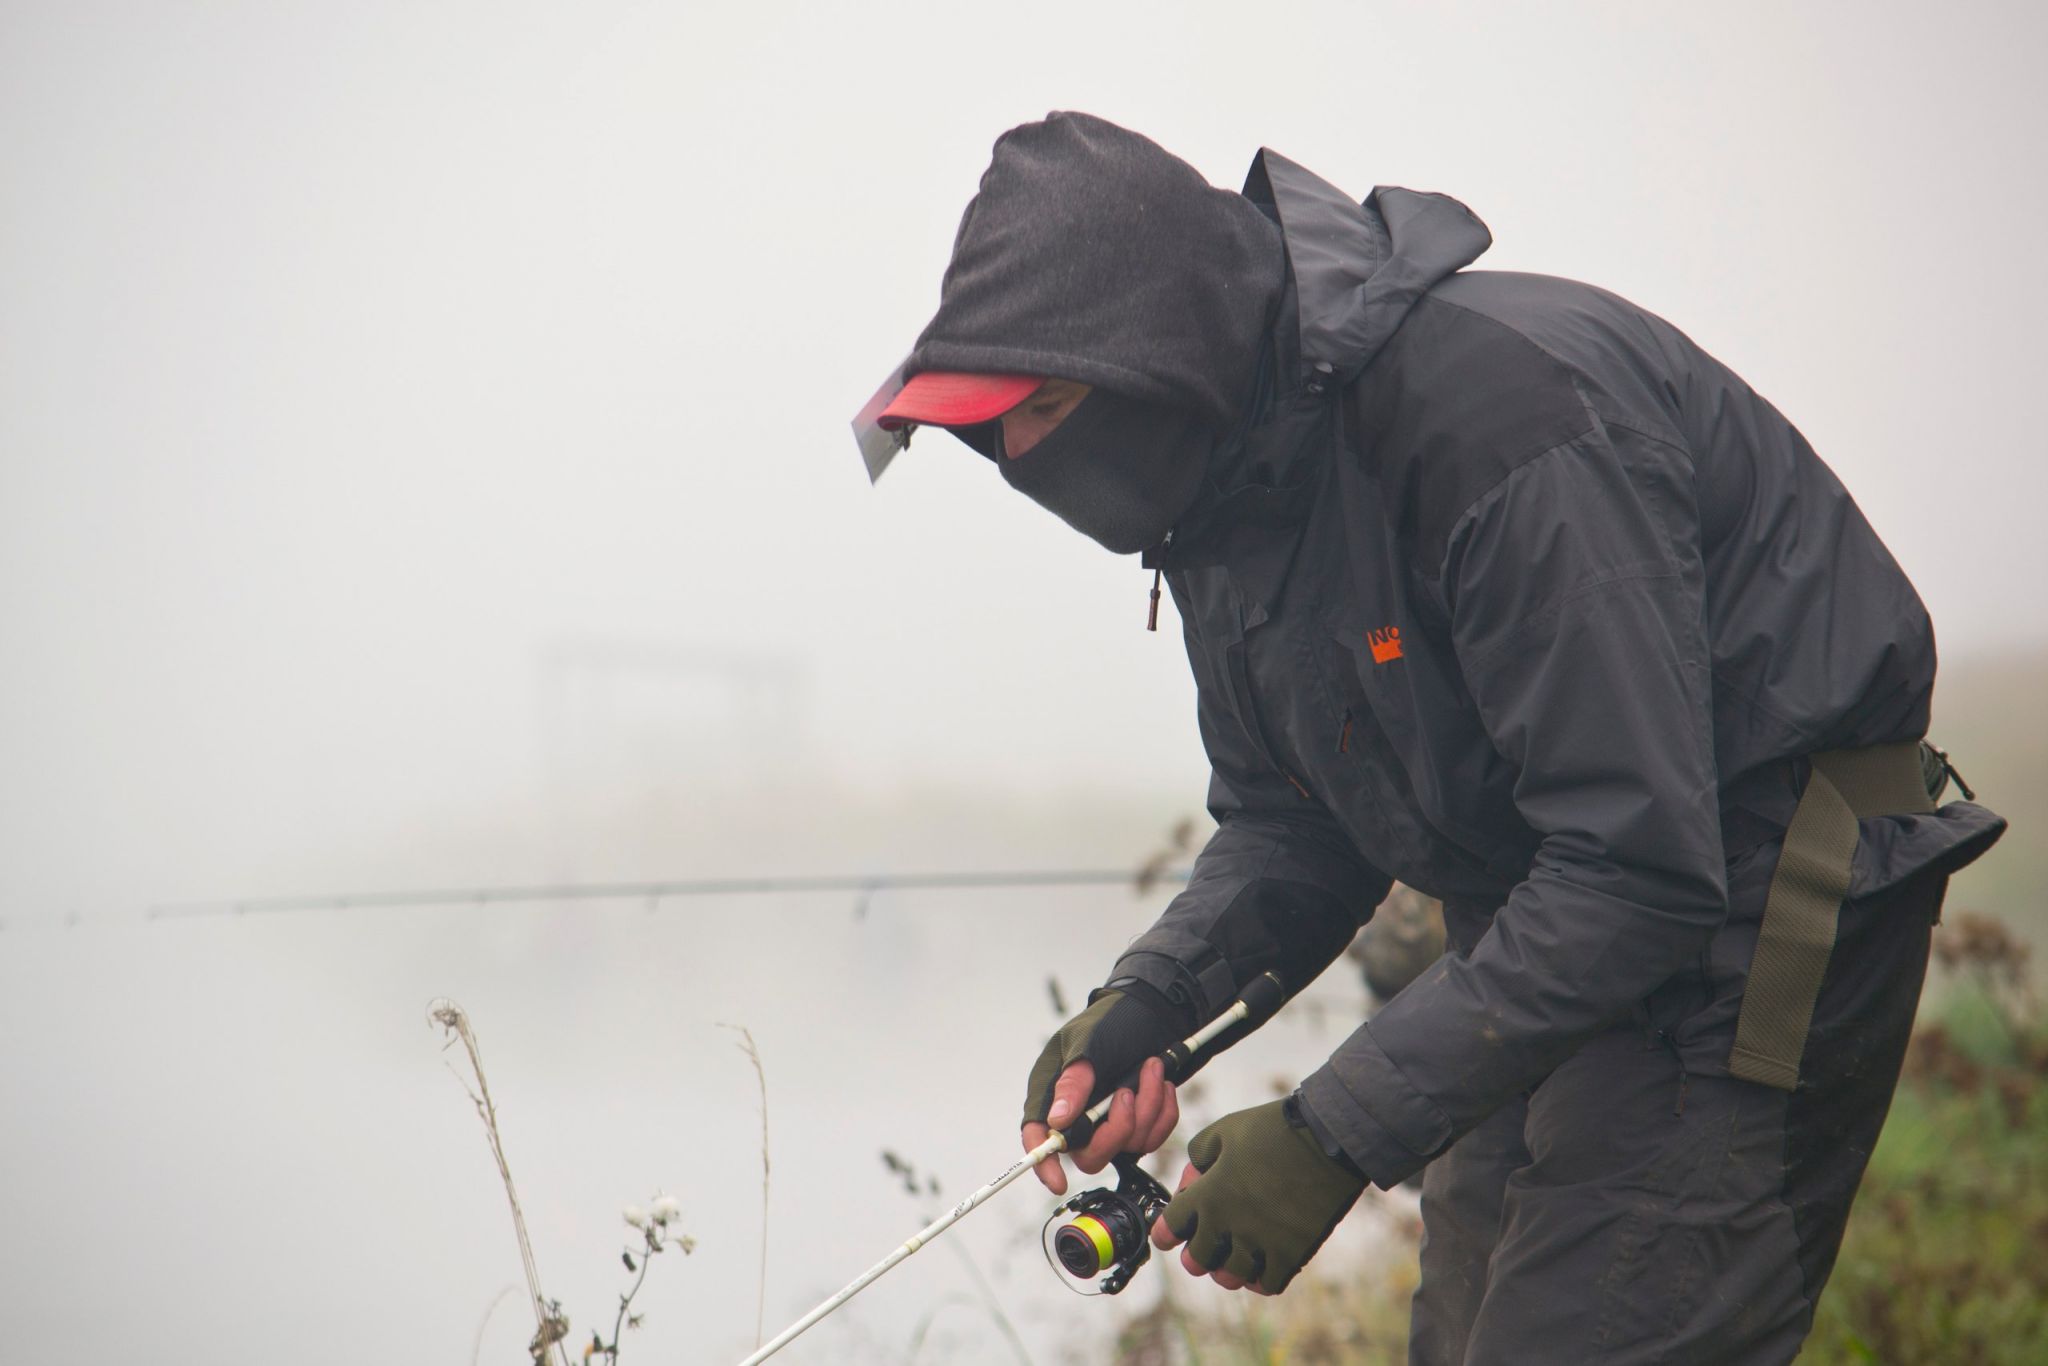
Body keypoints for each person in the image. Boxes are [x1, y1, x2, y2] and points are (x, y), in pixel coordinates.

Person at [851, 111, 2004, 1364]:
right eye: (992, 432)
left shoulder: (1499, 428)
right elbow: (1293, 816)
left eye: (1046, 405)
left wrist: (1327, 1133)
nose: (1022, 455)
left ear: (1162, 355)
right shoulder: (1223, 493)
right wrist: (1148, 999)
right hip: (1543, 920)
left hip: (1748, 900)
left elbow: (1637, 860)